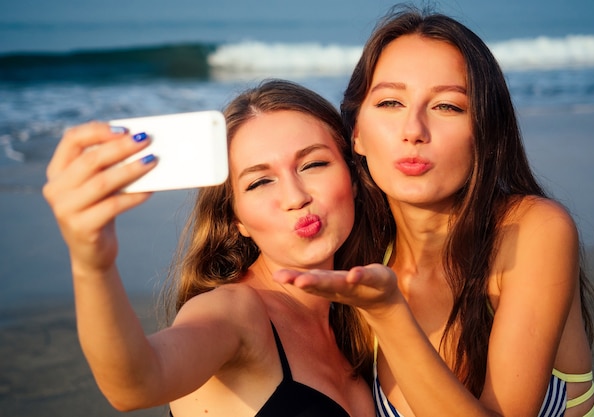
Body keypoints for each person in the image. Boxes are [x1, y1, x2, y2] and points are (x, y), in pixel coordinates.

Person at [274, 6, 594, 417]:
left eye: (447, 106)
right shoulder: (356, 256)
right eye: (391, 102)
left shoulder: (532, 231)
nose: (413, 130)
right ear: (356, 132)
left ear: (484, 131)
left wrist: (388, 313)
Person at [42, 79, 384, 417]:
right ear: (237, 220)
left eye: (313, 164)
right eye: (260, 182)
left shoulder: (361, 323)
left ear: (353, 179)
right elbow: (136, 383)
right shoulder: (236, 312)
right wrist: (93, 265)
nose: (296, 197)